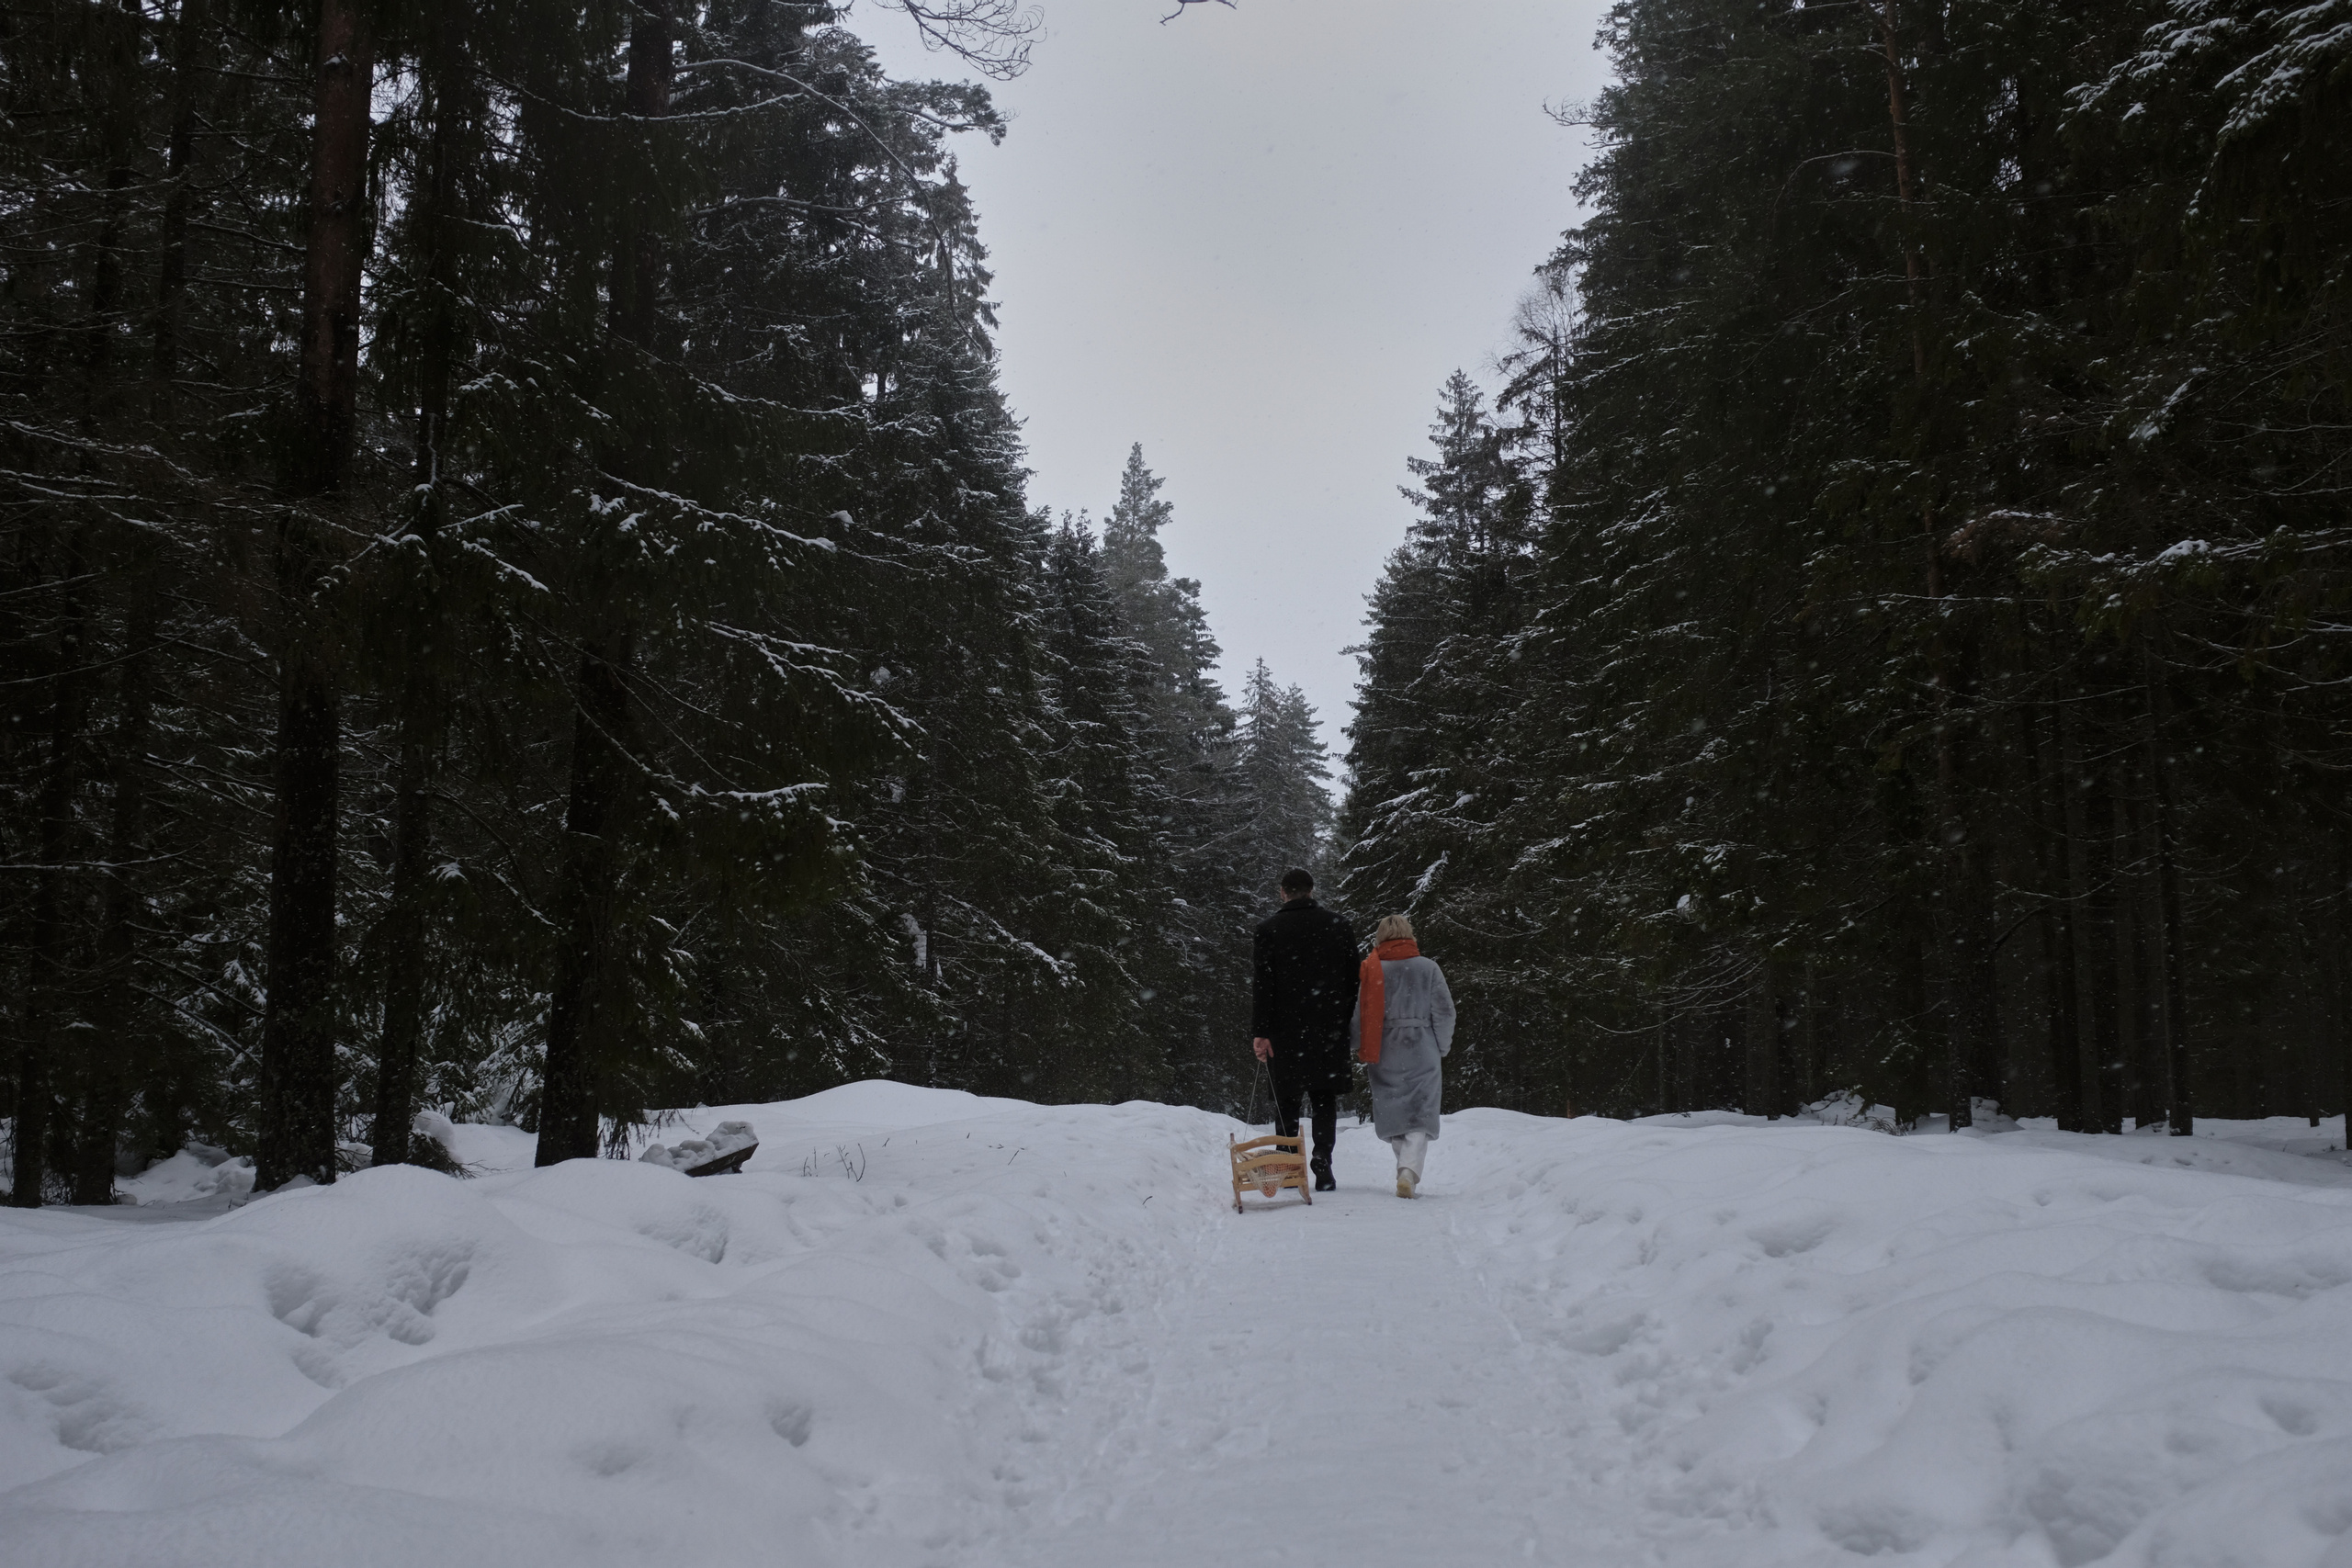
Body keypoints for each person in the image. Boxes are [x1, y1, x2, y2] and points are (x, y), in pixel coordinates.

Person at [1250, 867, 1359, 1191]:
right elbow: (1352, 978)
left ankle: (1287, 1166)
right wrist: (1341, 1017)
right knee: (1324, 1097)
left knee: (1287, 1098)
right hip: (1328, 1027)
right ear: (1311, 891)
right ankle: (1322, 1158)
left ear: (1283, 892)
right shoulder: (1338, 925)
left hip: (1285, 1028)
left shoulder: (1268, 930)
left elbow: (1263, 986)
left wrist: (1261, 1031)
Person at [1351, 913, 1454, 1198]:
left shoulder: (1373, 970)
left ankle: (1405, 1170)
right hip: (1423, 1047)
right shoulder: (1428, 968)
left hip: (1385, 1048)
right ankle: (1407, 1171)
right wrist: (1442, 1046)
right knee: (1421, 1113)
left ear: (1381, 937)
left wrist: (1355, 1044)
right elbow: (1445, 1012)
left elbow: (1361, 1014)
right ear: (1409, 934)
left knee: (1394, 1113)